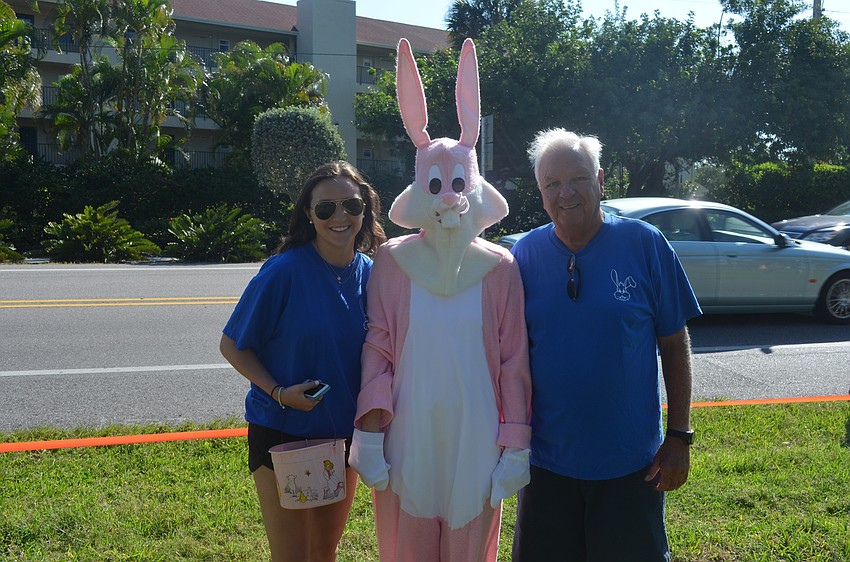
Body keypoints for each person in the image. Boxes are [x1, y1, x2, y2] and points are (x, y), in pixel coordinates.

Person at [348, 38, 532, 562]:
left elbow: (514, 360)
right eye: (438, 183)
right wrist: (370, 429)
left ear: (473, 187)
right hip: (409, 432)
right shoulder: (393, 261)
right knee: (407, 538)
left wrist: (515, 441)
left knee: (471, 540)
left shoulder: (500, 267)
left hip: (478, 434)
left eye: (457, 183)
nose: (448, 195)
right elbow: (378, 349)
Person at [509, 129, 702, 562]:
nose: (566, 193)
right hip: (545, 465)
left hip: (630, 465)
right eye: (552, 184)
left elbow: (674, 344)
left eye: (577, 178)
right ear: (540, 193)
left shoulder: (645, 244)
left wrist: (679, 437)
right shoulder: (523, 256)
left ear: (599, 180)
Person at [220, 161, 386, 562]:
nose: (340, 216)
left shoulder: (375, 274)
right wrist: (279, 393)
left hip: (342, 438)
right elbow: (232, 345)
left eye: (351, 204)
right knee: (293, 556)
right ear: (309, 216)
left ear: (365, 210)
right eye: (326, 208)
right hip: (285, 434)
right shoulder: (284, 272)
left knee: (323, 553)